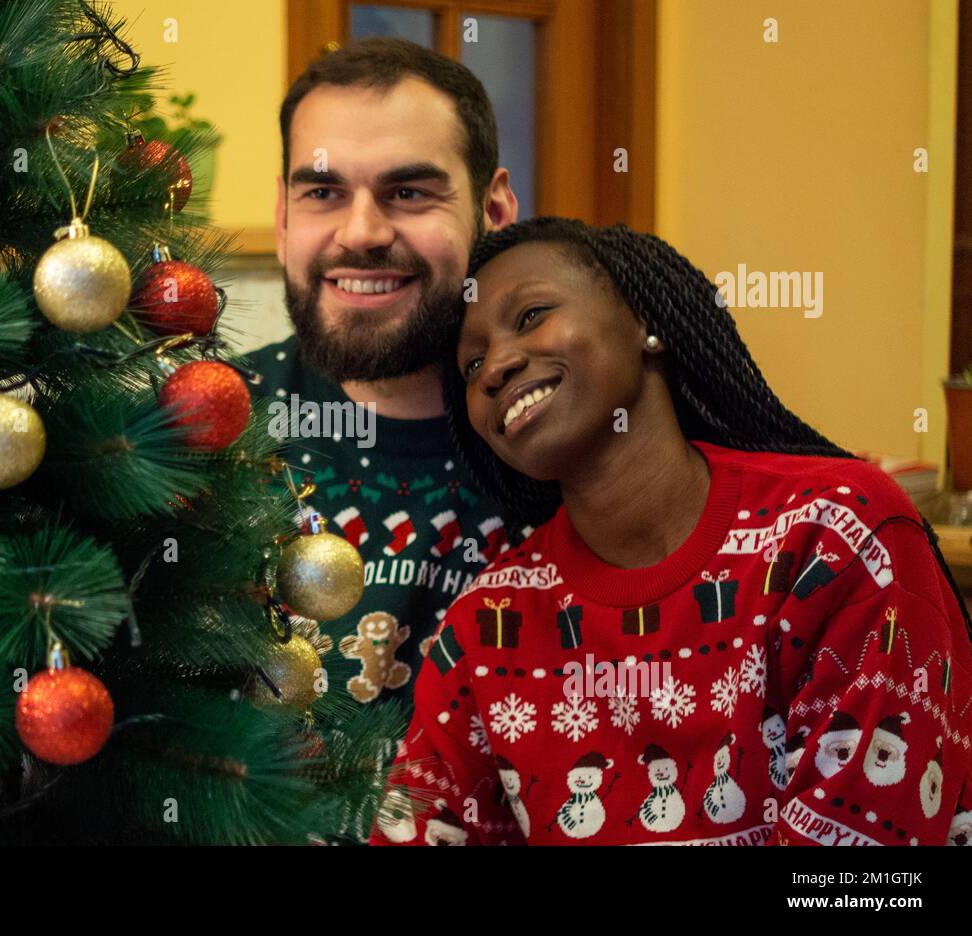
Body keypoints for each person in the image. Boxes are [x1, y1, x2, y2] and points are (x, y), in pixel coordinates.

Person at [370, 217, 972, 845]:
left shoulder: (835, 536)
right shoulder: (488, 624)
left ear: (645, 322)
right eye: (472, 365)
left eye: (531, 316)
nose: (495, 367)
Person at [246, 38, 519, 710]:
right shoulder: (203, 432)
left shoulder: (569, 445)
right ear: (283, 218)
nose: (362, 232)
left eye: (408, 192)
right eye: (323, 192)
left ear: (493, 212)